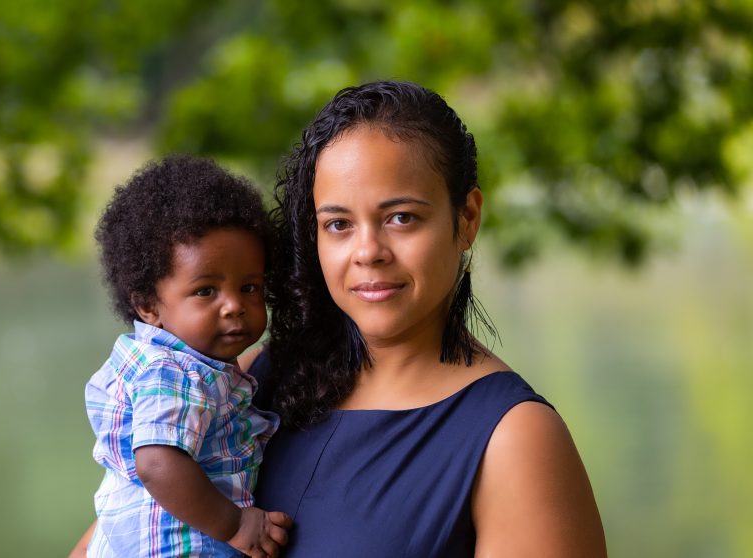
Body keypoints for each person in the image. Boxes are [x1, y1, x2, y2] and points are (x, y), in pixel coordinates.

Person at [244, 80, 608, 556]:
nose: (368, 252)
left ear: (467, 218)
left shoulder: (516, 439)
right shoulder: (257, 381)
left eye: (401, 218)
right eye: (339, 225)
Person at [78, 155, 292, 557]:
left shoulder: (176, 360)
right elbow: (158, 462)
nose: (234, 306)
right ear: (148, 306)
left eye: (250, 287)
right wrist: (236, 525)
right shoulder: (172, 371)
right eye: (206, 291)